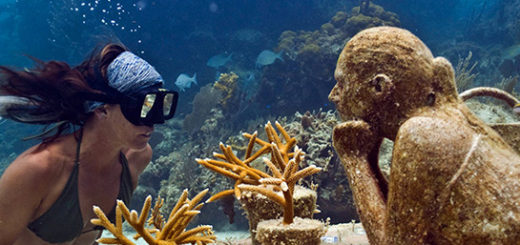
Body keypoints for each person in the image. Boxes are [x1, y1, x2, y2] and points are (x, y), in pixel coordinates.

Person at [329, 26, 520, 244]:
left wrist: (354, 160)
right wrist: (369, 157)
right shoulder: (448, 117)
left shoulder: (422, 133)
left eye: (341, 84)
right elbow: (404, 220)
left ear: (379, 87)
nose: (333, 94)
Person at [0, 43, 178, 244]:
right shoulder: (36, 170)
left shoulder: (137, 157)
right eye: (141, 108)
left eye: (159, 107)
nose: (153, 122)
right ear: (102, 109)